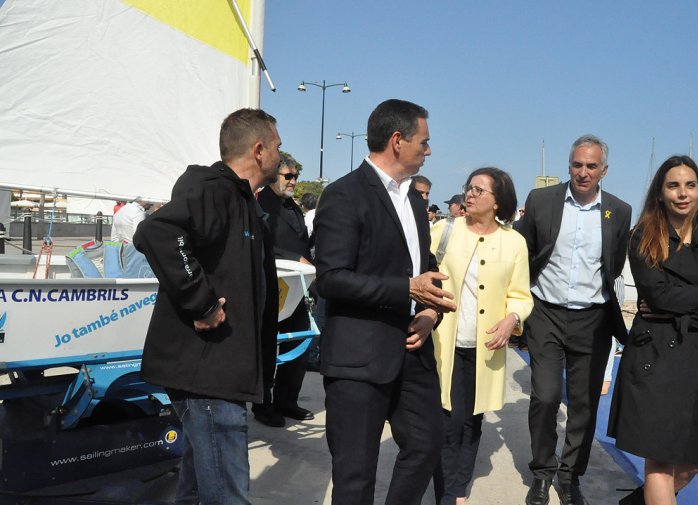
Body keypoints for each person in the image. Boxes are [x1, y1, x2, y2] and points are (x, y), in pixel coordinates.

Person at [133, 108, 281, 505]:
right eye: (278, 147)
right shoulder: (214, 189)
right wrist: (201, 303)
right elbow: (158, 231)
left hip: (222, 371)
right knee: (227, 493)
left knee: (199, 486)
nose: (282, 156)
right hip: (208, 373)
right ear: (260, 149)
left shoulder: (246, 203)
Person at [314, 98, 456, 505]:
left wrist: (430, 311)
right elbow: (332, 279)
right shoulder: (345, 195)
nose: (429, 151)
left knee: (428, 444)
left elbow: (423, 266)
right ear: (398, 140)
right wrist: (406, 289)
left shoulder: (414, 199)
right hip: (359, 359)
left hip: (412, 351)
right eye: (424, 142)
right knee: (355, 475)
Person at [608, 155, 698, 505]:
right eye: (673, 185)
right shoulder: (643, 237)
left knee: (696, 460)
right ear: (660, 193)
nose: (682, 193)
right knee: (659, 460)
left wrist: (687, 313)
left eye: (690, 185)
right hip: (654, 357)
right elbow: (660, 296)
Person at [518, 134, 632, 505]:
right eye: (577, 165)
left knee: (584, 405)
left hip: (594, 319)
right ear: (569, 166)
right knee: (546, 397)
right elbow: (523, 252)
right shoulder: (541, 201)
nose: (583, 173)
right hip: (546, 313)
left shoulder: (620, 210)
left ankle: (570, 477)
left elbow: (614, 266)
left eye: (591, 166)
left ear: (604, 170)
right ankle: (541, 473)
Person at [429, 167, 533, 505]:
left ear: (498, 202)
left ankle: (458, 489)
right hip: (444, 343)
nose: (469, 195)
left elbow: (521, 294)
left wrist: (511, 319)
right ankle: (446, 493)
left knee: (473, 419)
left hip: (486, 345)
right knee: (448, 420)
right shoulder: (443, 230)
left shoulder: (514, 242)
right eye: (468, 188)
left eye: (479, 190)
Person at [253, 152, 315, 427]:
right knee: (267, 348)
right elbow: (262, 242)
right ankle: (263, 405)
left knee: (300, 343)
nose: (293, 181)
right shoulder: (262, 202)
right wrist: (293, 258)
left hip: (298, 287)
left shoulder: (292, 205)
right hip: (273, 285)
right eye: (288, 176)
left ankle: (287, 400)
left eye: (295, 176)